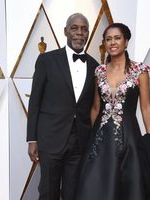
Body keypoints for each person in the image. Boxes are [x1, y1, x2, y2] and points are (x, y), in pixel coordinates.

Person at [76, 23, 150, 200]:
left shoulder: (140, 71)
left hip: (129, 138)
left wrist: (149, 138)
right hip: (99, 140)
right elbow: (95, 107)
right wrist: (87, 138)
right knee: (93, 185)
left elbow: (145, 106)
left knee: (129, 186)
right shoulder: (99, 71)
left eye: (117, 38)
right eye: (108, 39)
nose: (112, 43)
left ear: (126, 42)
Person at [26, 13, 99, 200]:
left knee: (73, 193)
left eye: (84, 29)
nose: (79, 33)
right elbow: (35, 100)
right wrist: (32, 138)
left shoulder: (95, 66)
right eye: (74, 28)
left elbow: (94, 106)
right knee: (48, 192)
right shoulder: (46, 60)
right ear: (66, 31)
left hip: (80, 140)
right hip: (50, 137)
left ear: (88, 33)